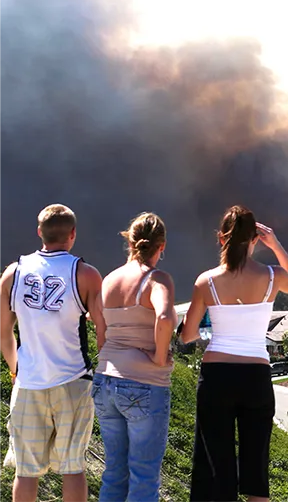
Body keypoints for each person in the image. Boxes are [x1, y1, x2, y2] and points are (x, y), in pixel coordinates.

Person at [181, 205, 288, 502]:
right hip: (256, 377)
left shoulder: (206, 281)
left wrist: (208, 330)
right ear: (255, 239)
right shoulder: (273, 277)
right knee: (256, 471)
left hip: (215, 377)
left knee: (216, 469)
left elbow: (188, 334)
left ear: (221, 238)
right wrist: (275, 244)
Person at [0, 204, 103, 502]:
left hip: (29, 382)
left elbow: (3, 331)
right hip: (73, 380)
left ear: (39, 233)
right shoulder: (86, 274)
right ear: (72, 235)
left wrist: (15, 368)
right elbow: (103, 329)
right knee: (73, 468)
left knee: (26, 472)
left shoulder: (12, 273)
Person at [93, 212, 176, 502]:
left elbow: (99, 330)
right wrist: (159, 357)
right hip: (144, 383)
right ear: (161, 246)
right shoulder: (157, 279)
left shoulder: (108, 281)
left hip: (105, 380)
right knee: (143, 476)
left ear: (129, 241)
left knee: (114, 472)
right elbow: (164, 317)